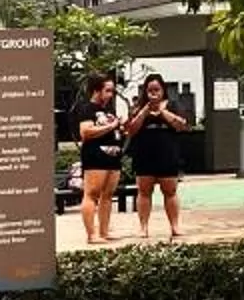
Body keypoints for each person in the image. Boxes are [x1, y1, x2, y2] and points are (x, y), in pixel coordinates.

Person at [126, 73, 191, 240]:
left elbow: (182, 125)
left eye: (157, 89)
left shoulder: (174, 105)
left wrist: (163, 112)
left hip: (167, 153)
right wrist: (145, 111)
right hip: (144, 154)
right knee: (144, 191)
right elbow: (131, 129)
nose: (153, 93)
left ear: (163, 90)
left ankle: (175, 226)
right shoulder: (139, 107)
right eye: (150, 90)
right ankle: (143, 228)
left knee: (170, 191)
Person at [73, 72, 124, 245]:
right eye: (108, 91)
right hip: (95, 155)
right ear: (97, 90)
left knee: (108, 195)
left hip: (113, 155)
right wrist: (111, 126)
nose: (110, 95)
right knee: (92, 193)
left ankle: (104, 231)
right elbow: (85, 132)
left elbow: (113, 128)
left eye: (112, 91)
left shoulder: (107, 110)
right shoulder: (87, 108)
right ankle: (91, 234)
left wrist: (119, 127)